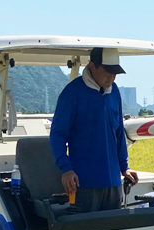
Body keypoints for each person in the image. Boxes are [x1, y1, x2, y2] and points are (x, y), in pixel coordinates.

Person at [49, 47, 138, 212]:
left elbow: (118, 133)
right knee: (86, 226)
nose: (112, 77)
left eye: (115, 73)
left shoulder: (114, 92)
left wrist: (124, 167)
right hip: (84, 182)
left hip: (113, 182)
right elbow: (57, 134)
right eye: (107, 71)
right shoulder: (72, 93)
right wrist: (66, 169)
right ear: (92, 66)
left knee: (113, 225)